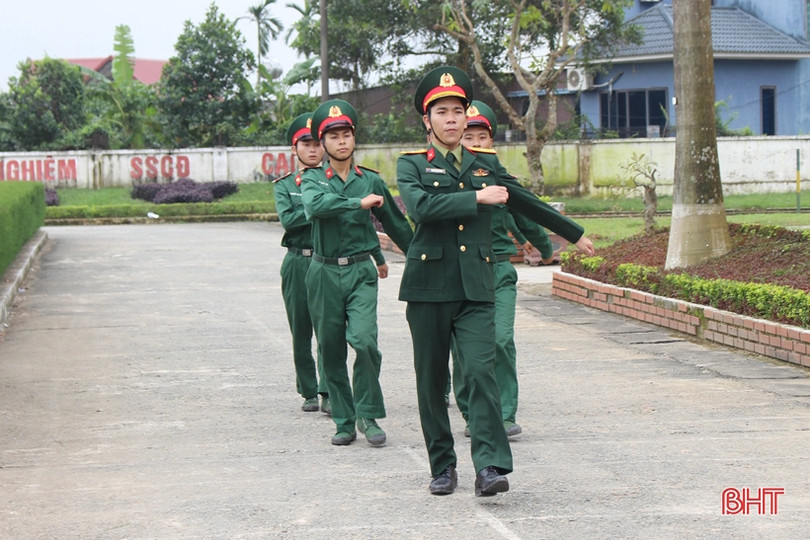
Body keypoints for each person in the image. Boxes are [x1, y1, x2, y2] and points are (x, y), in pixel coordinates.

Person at [396, 66, 595, 497]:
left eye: (458, 111)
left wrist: (573, 232)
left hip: (476, 287)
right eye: (442, 112)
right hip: (429, 288)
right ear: (426, 120)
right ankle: (442, 466)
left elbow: (524, 199)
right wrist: (476, 198)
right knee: (431, 381)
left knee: (481, 373)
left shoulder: (486, 163)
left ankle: (489, 465)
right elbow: (420, 208)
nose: (452, 119)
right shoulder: (411, 165)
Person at [300, 99, 413, 447]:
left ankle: (368, 414)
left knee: (364, 342)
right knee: (331, 349)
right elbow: (315, 206)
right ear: (323, 144)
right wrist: (356, 204)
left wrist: (423, 258)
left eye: (346, 134)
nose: (341, 141)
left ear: (354, 139)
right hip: (323, 272)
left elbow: (396, 224)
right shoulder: (314, 179)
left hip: (361, 271)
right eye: (333, 136)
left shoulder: (372, 181)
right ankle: (344, 421)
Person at [452, 100, 556, 438]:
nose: (476, 143)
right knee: (464, 347)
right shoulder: (446, 182)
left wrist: (543, 246)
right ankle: (471, 412)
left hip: (498, 271)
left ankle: (505, 414)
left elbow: (524, 214)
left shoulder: (501, 180)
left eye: (482, 136)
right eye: (469, 137)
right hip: (462, 274)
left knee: (501, 340)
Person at [273, 113, 329, 415]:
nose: (312, 150)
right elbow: (289, 220)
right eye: (305, 144)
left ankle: (328, 390)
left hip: (325, 260)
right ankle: (308, 389)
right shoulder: (284, 185)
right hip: (297, 262)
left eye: (317, 143)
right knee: (301, 329)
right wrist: (321, 208)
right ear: (294, 149)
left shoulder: (333, 180)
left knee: (328, 329)